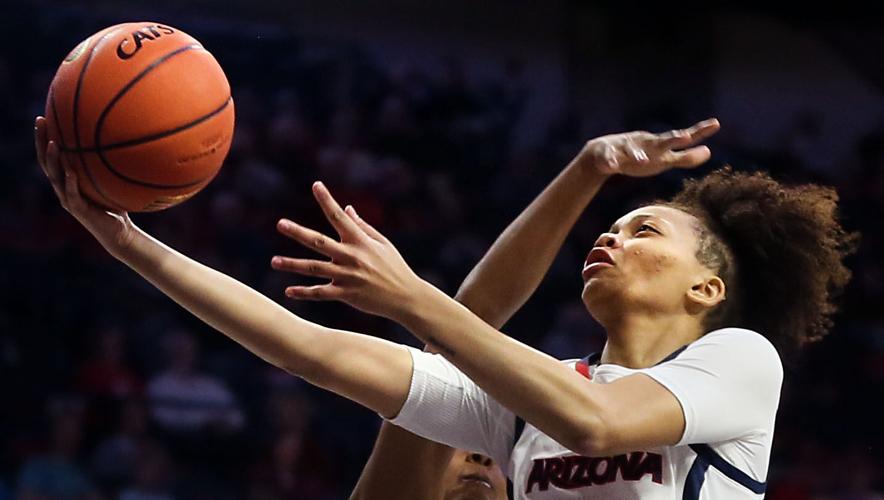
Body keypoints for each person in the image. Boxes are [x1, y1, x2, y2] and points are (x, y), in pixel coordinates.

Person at [35, 115, 856, 498]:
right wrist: (127, 243)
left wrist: (413, 297)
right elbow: (304, 348)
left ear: (706, 288)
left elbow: (597, 425)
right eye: (606, 226)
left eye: (641, 229)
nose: (608, 238)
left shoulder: (740, 362)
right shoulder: (529, 400)